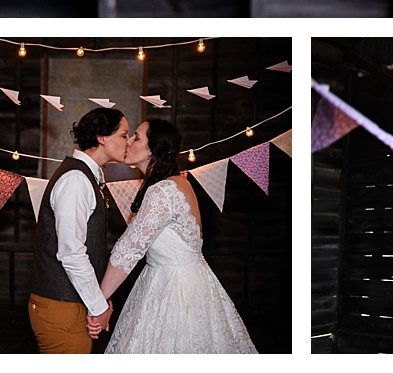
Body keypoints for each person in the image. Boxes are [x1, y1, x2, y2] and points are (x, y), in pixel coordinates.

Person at [88, 118, 258, 353]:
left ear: (152, 149)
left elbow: (127, 251)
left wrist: (98, 303)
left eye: (136, 137)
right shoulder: (177, 183)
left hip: (175, 291)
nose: (128, 142)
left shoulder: (162, 190)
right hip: (189, 281)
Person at [28, 108, 129, 353]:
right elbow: (71, 252)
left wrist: (98, 299)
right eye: (124, 135)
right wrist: (98, 307)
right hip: (61, 306)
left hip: (71, 303)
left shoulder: (88, 177)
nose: (128, 142)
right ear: (102, 138)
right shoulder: (76, 180)